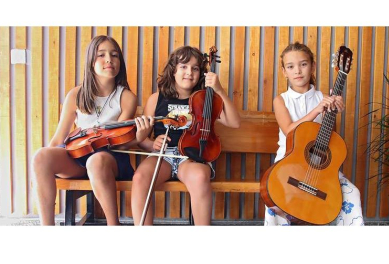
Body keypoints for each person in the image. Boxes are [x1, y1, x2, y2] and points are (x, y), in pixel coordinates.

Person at [32, 35, 142, 226]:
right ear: (91, 62)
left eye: (114, 55)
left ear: (120, 63)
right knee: (40, 156)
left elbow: (118, 140)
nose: (109, 59)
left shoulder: (126, 97)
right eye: (101, 55)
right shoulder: (76, 94)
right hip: (78, 156)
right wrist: (46, 164)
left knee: (96, 159)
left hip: (109, 159)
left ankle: (113, 225)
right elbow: (59, 136)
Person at [131, 46, 241, 225]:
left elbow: (235, 123)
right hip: (162, 156)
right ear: (173, 70)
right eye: (183, 67)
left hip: (192, 157)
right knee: (140, 177)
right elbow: (143, 139)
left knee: (199, 176)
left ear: (201, 73)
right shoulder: (156, 99)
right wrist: (151, 143)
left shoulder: (206, 99)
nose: (189, 72)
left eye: (195, 68)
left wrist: (219, 90)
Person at [265, 42, 364, 226]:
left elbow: (329, 141)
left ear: (313, 66)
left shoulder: (323, 98)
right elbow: (289, 131)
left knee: (353, 193)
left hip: (320, 168)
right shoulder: (281, 100)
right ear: (284, 71)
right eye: (290, 66)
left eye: (303, 64)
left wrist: (332, 112)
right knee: (279, 195)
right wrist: (317, 111)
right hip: (289, 165)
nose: (298, 71)